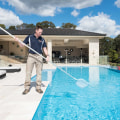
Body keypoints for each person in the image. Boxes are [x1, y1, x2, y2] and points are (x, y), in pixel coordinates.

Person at [15, 25, 49, 94]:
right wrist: (18, 41)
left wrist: (47, 55)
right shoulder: (29, 37)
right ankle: (27, 88)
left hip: (39, 56)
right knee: (28, 72)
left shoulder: (42, 39)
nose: (40, 34)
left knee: (39, 73)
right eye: (39, 32)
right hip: (31, 56)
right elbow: (22, 45)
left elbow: (44, 48)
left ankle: (38, 87)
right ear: (36, 31)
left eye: (41, 32)